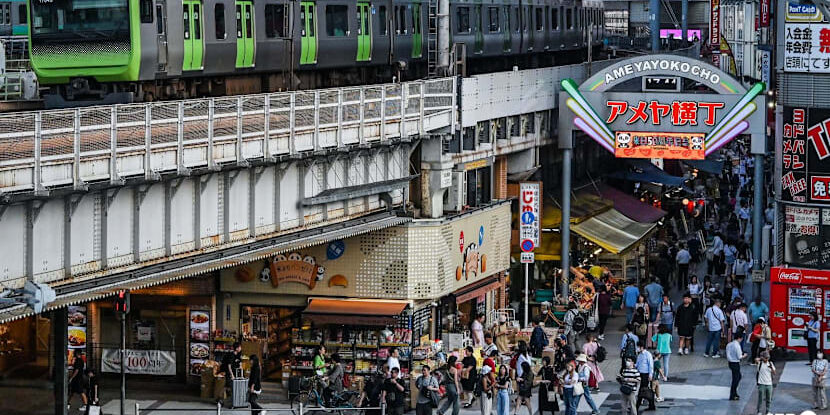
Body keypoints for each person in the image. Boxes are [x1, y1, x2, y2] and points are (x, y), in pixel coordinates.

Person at [726, 332, 747, 401]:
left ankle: (734, 393)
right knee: (736, 379)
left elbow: (728, 354)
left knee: (737, 377)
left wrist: (730, 359)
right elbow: (739, 357)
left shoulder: (729, 344)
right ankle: (733, 394)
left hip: (730, 362)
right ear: (739, 338)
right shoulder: (737, 346)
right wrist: (744, 355)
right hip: (735, 363)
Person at [636, 342, 656, 411]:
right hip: (640, 374)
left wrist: (650, 374)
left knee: (642, 390)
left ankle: (637, 406)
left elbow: (650, 365)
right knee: (646, 390)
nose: (637, 348)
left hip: (646, 374)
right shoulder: (639, 355)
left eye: (638, 347)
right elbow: (637, 364)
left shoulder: (648, 354)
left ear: (642, 347)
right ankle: (651, 405)